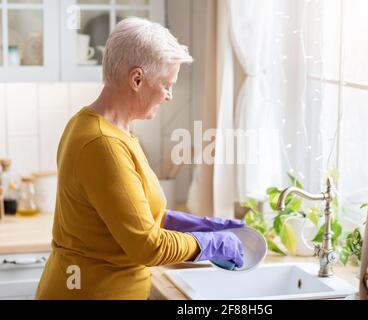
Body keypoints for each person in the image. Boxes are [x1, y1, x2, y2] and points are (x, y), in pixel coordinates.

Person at [35, 17, 244, 300]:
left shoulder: (98, 126)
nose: (169, 95)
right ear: (137, 79)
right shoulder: (104, 144)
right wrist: (209, 244)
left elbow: (129, 215)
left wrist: (195, 224)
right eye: (167, 84)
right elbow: (148, 246)